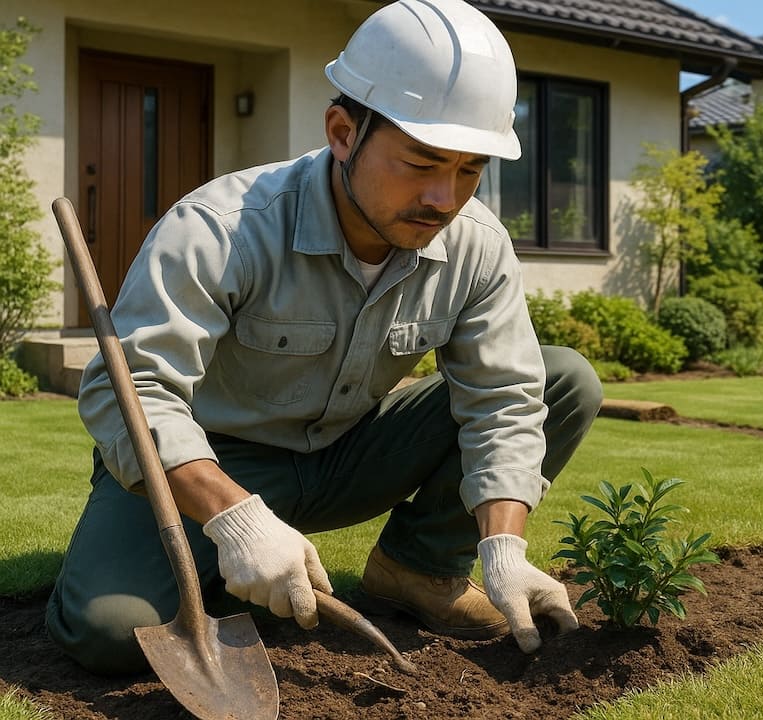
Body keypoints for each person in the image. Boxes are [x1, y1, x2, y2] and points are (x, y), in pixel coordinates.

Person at [46, 0, 602, 676]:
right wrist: (235, 521)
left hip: (344, 456)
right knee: (110, 632)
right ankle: (225, 555)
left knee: (562, 377)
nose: (444, 198)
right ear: (343, 132)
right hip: (212, 463)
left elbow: (504, 400)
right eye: (422, 163)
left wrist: (503, 549)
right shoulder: (222, 228)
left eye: (470, 169)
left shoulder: (476, 246)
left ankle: (420, 570)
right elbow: (129, 393)